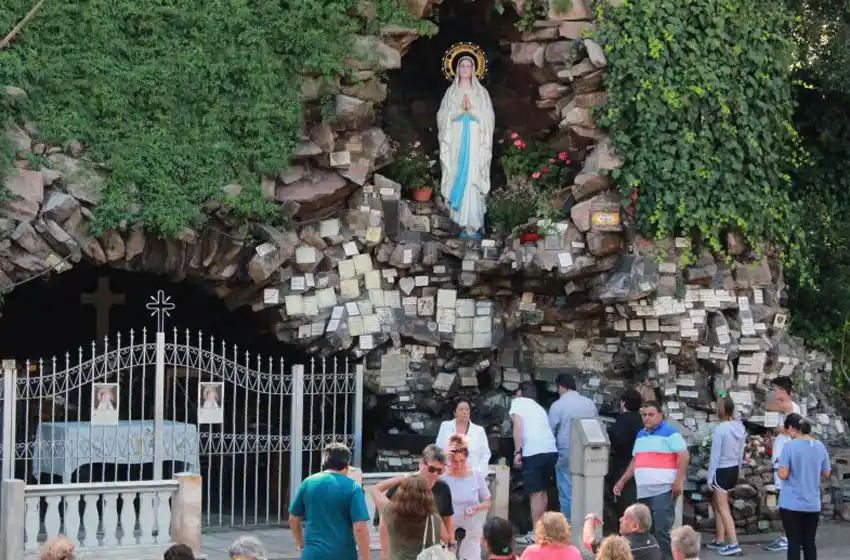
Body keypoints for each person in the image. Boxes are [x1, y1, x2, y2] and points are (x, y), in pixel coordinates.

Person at [613, 401, 689, 560]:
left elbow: (684, 456)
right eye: (644, 415)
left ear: (660, 416)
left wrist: (678, 481)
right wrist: (622, 481)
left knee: (661, 531)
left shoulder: (670, 432)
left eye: (651, 414)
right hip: (644, 491)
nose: (647, 418)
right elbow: (636, 461)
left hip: (664, 489)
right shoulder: (641, 434)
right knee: (645, 532)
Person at [437, 47, 495, 238]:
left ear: (474, 69)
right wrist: (458, 112)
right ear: (456, 68)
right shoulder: (450, 93)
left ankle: (474, 223)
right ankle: (459, 223)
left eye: (469, 65)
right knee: (456, 173)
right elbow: (441, 116)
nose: (465, 68)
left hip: (476, 143)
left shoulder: (481, 93)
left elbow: (489, 118)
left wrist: (473, 111)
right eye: (462, 65)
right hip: (456, 142)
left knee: (473, 179)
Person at [289, 442, 371, 560]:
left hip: (312, 555)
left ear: (324, 463)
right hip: (343, 555)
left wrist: (301, 545)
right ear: (347, 465)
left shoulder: (308, 482)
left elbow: (293, 518)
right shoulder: (353, 487)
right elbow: (360, 528)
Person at [374, 445, 455, 555]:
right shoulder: (402, 487)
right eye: (431, 469)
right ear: (421, 463)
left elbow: (448, 518)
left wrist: (451, 545)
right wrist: (384, 553)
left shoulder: (443, 488)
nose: (435, 474)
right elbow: (384, 523)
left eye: (440, 471)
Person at [510, 382, 558, 545]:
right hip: (551, 450)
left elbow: (517, 425)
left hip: (534, 451)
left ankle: (536, 534)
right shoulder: (539, 408)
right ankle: (542, 532)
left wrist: (517, 451)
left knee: (535, 493)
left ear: (519, 393)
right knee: (543, 491)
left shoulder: (518, 402)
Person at [777, 413, 831, 560]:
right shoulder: (820, 446)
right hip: (812, 503)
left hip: (791, 503)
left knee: (793, 543)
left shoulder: (789, 447)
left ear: (793, 428)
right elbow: (826, 472)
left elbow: (783, 474)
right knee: (809, 542)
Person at [547, 373, 598, 522]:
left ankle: (569, 525)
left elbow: (550, 430)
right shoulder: (589, 403)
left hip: (566, 453)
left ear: (561, 387)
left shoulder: (558, 405)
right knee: (586, 489)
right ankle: (587, 525)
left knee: (567, 490)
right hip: (589, 453)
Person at [704, 396, 746, 556]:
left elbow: (715, 456)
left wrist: (710, 477)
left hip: (721, 469)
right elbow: (741, 452)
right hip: (733, 467)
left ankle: (734, 543)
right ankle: (720, 539)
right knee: (718, 504)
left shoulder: (720, 429)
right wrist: (739, 466)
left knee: (722, 507)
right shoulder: (740, 428)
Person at [764, 376, 802, 553]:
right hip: (785, 456)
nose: (773, 393)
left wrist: (773, 427)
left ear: (782, 390)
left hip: (785, 458)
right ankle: (791, 535)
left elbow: (770, 408)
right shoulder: (792, 407)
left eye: (774, 390)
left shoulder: (788, 407)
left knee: (786, 498)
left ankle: (788, 537)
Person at [442, 434, 492, 560]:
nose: (459, 465)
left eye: (462, 461)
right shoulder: (443, 478)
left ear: (467, 458)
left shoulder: (476, 475)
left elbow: (488, 501)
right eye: (455, 461)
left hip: (471, 529)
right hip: (448, 530)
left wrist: (477, 508)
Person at [373, 476, 444, 560]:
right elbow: (446, 537)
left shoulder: (391, 511)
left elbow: (376, 489)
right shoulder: (433, 518)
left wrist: (400, 479)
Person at [607, 388, 644, 526]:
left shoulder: (624, 420)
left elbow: (616, 440)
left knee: (624, 500)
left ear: (623, 403)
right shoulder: (642, 419)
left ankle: (626, 528)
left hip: (624, 464)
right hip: (640, 465)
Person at [582, 504, 661, 560]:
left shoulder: (618, 545)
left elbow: (588, 541)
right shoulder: (655, 543)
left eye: (625, 517)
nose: (620, 519)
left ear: (635, 526)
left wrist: (590, 518)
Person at [436, 399, 492, 472]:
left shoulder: (479, 430)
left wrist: (479, 472)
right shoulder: (445, 426)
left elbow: (485, 454)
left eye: (467, 409)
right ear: (454, 412)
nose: (464, 412)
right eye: (461, 409)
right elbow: (438, 450)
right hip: (449, 472)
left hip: (472, 473)